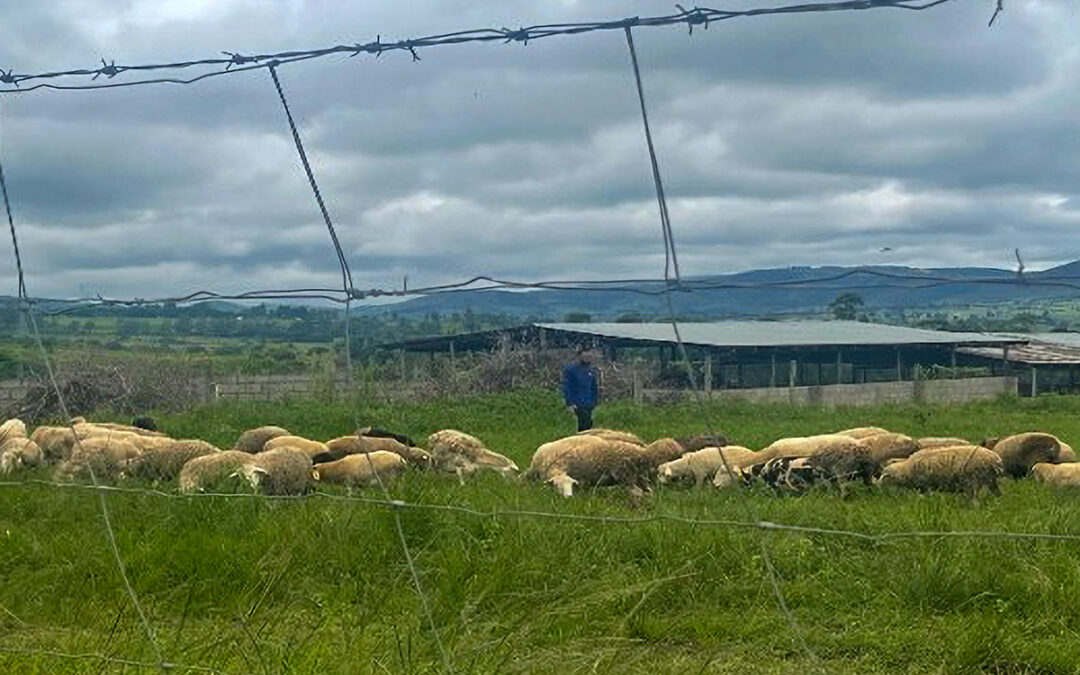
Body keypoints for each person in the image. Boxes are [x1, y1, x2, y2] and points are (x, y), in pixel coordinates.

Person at [562, 347, 600, 432]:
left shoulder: (591, 371)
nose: (588, 357)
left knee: (589, 424)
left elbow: (594, 387)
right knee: (583, 425)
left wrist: (595, 402)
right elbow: (567, 386)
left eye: (589, 355)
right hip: (578, 403)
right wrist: (570, 402)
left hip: (588, 403)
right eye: (585, 355)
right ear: (580, 356)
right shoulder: (572, 370)